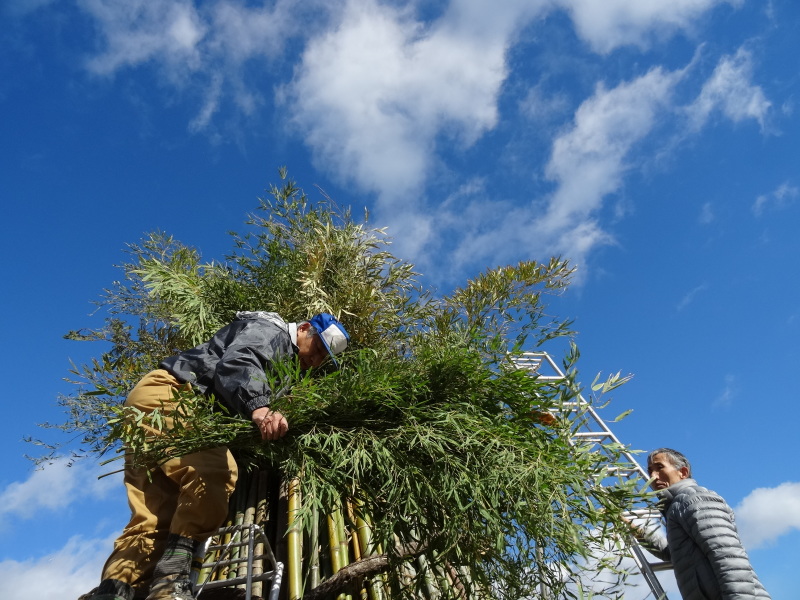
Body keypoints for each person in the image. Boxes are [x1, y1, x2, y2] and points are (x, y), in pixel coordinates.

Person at [86, 311, 350, 600]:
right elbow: (240, 361)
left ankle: (114, 591)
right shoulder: (271, 331)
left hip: (149, 402)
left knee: (154, 519)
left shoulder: (286, 364)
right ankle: (170, 581)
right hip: (174, 395)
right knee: (214, 473)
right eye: (319, 349)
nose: (315, 360)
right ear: (303, 329)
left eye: (324, 358)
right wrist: (259, 407)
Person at [633, 448, 771, 600]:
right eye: (650, 471)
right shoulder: (675, 507)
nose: (652, 476)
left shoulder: (694, 499)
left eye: (660, 468)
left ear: (683, 473)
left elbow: (728, 556)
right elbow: (673, 554)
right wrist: (633, 528)